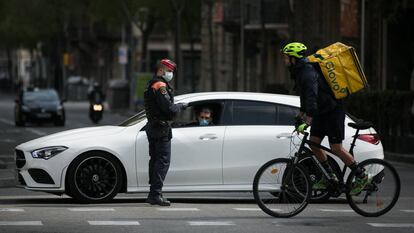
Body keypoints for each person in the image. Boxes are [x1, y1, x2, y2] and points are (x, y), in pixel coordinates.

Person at [281, 42, 369, 194]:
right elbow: (304, 97)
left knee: (336, 148)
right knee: (314, 145)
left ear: (293, 58)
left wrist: (307, 121)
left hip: (333, 111)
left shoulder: (307, 72)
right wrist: (300, 115)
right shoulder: (299, 71)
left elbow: (312, 97)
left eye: (285, 57)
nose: (284, 60)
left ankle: (362, 175)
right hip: (321, 113)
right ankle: (329, 177)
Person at [143, 58, 187, 206]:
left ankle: (153, 193)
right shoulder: (160, 85)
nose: (171, 74)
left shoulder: (152, 84)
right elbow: (169, 109)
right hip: (160, 129)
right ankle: (155, 194)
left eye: (172, 72)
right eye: (169, 71)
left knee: (155, 161)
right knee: (162, 162)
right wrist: (180, 106)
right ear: (161, 71)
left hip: (154, 127)